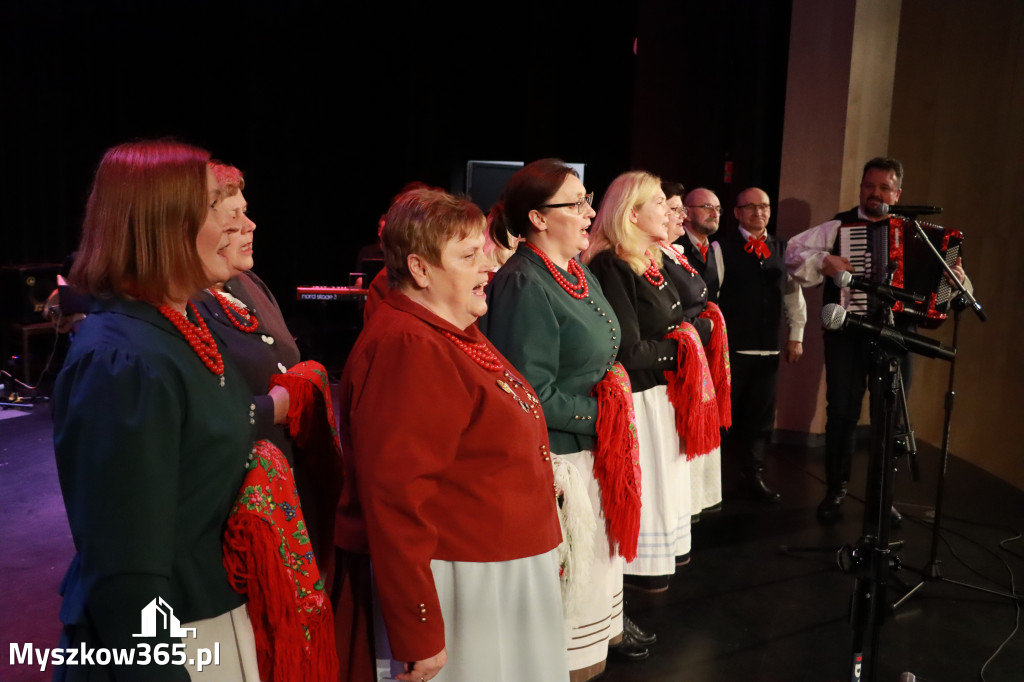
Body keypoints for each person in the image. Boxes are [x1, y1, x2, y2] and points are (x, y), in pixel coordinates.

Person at [334, 187, 569, 682]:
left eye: (483, 249)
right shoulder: (408, 345)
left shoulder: (448, 326)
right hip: (464, 584)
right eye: (469, 255)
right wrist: (418, 629)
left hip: (495, 572)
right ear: (420, 269)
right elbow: (396, 501)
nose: (489, 266)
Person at [52, 139, 259, 680]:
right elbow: (128, 573)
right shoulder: (122, 361)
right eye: (215, 212)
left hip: (207, 618)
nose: (237, 228)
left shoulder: (178, 328)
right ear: (162, 225)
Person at [481, 159, 651, 680]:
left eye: (587, 198)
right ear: (537, 217)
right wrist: (607, 414)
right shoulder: (523, 284)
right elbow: (529, 394)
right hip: (558, 465)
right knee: (565, 618)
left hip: (588, 453)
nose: (589, 212)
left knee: (591, 600)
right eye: (575, 203)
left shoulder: (574, 271)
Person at [786, 157, 968, 524]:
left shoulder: (915, 232)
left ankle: (882, 499)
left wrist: (956, 280)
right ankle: (835, 489)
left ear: (897, 192)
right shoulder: (840, 224)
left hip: (898, 337)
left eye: (884, 187)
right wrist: (825, 261)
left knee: (892, 419)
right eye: (869, 185)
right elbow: (792, 252)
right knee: (841, 413)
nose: (875, 193)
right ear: (861, 187)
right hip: (847, 334)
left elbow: (953, 285)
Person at [582, 171, 689, 592]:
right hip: (639, 397)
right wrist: (685, 348)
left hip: (660, 393)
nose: (669, 211)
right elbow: (628, 350)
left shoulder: (649, 260)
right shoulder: (612, 263)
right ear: (631, 213)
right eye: (660, 203)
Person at [715, 186, 806, 503]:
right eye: (750, 207)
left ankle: (753, 476)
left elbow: (794, 296)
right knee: (723, 418)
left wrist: (796, 336)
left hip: (769, 348)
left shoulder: (784, 247)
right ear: (737, 212)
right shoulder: (722, 247)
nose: (758, 212)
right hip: (732, 349)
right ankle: (713, 482)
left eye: (764, 206)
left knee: (761, 419)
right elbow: (711, 297)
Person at [660, 182, 724, 517]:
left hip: (693, 353)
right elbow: (668, 315)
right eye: (672, 209)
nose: (679, 217)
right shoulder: (655, 256)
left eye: (679, 210)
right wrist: (705, 326)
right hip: (677, 358)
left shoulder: (677, 252)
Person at [680, 187, 723, 302]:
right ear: (686, 213)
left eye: (718, 209)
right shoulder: (673, 247)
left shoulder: (716, 250)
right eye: (707, 207)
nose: (715, 214)